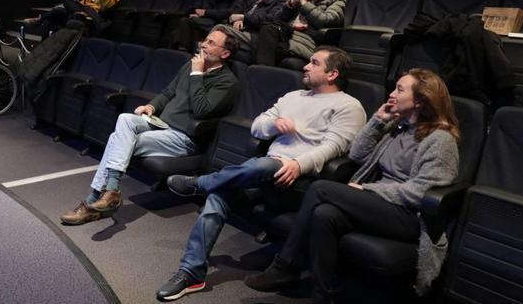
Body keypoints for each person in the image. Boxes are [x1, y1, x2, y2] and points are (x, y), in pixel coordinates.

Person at [155, 46, 366, 301]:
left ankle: (200, 183)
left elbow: (333, 148)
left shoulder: (349, 106)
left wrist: (298, 164)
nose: (305, 66)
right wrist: (273, 125)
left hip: (301, 183)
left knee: (263, 164)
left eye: (314, 63)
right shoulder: (294, 96)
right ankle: (192, 273)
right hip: (266, 174)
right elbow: (257, 126)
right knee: (219, 196)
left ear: (332, 74)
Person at [244, 69, 460, 303]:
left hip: (408, 216)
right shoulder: (398, 126)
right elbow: (357, 154)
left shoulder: (440, 140)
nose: (392, 94)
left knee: (321, 189)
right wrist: (378, 121)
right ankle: (322, 294)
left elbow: (419, 194)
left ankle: (286, 266)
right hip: (380, 205)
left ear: (420, 100)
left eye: (400, 89)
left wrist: (370, 190)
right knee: (324, 214)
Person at [60, 25, 240, 226]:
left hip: (183, 138)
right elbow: (168, 93)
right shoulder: (190, 65)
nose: (203, 45)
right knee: (125, 119)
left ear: (225, 53)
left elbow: (202, 110)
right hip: (162, 125)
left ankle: (93, 202)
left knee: (116, 140)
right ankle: (110, 192)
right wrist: (151, 106)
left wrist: (197, 75)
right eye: (205, 40)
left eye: (211, 43)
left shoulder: (227, 82)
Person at [255, 0, 346, 66]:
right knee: (267, 29)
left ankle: (263, 73)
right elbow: (277, 19)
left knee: (263, 44)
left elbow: (326, 21)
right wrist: (291, 4)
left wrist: (305, 4)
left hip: (308, 40)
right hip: (287, 35)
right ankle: (263, 72)